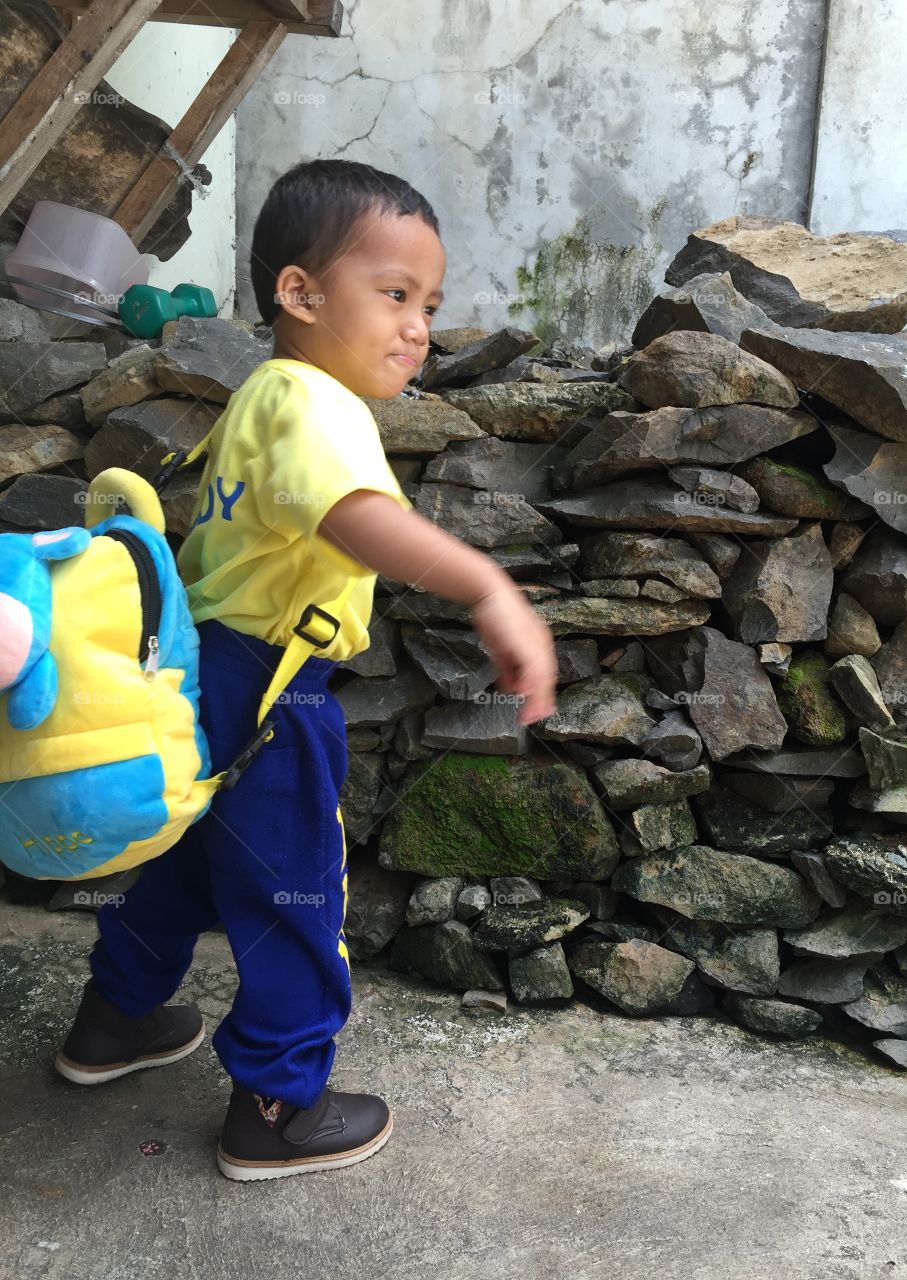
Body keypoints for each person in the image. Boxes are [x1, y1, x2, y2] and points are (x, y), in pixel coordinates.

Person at [54, 158, 558, 1182]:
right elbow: (359, 520)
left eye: (428, 303)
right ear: (300, 292)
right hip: (279, 691)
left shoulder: (263, 396)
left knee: (194, 861)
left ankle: (115, 1017)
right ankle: (279, 1103)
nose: (417, 325)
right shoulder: (322, 407)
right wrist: (489, 589)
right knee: (296, 895)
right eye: (394, 293)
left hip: (214, 672)